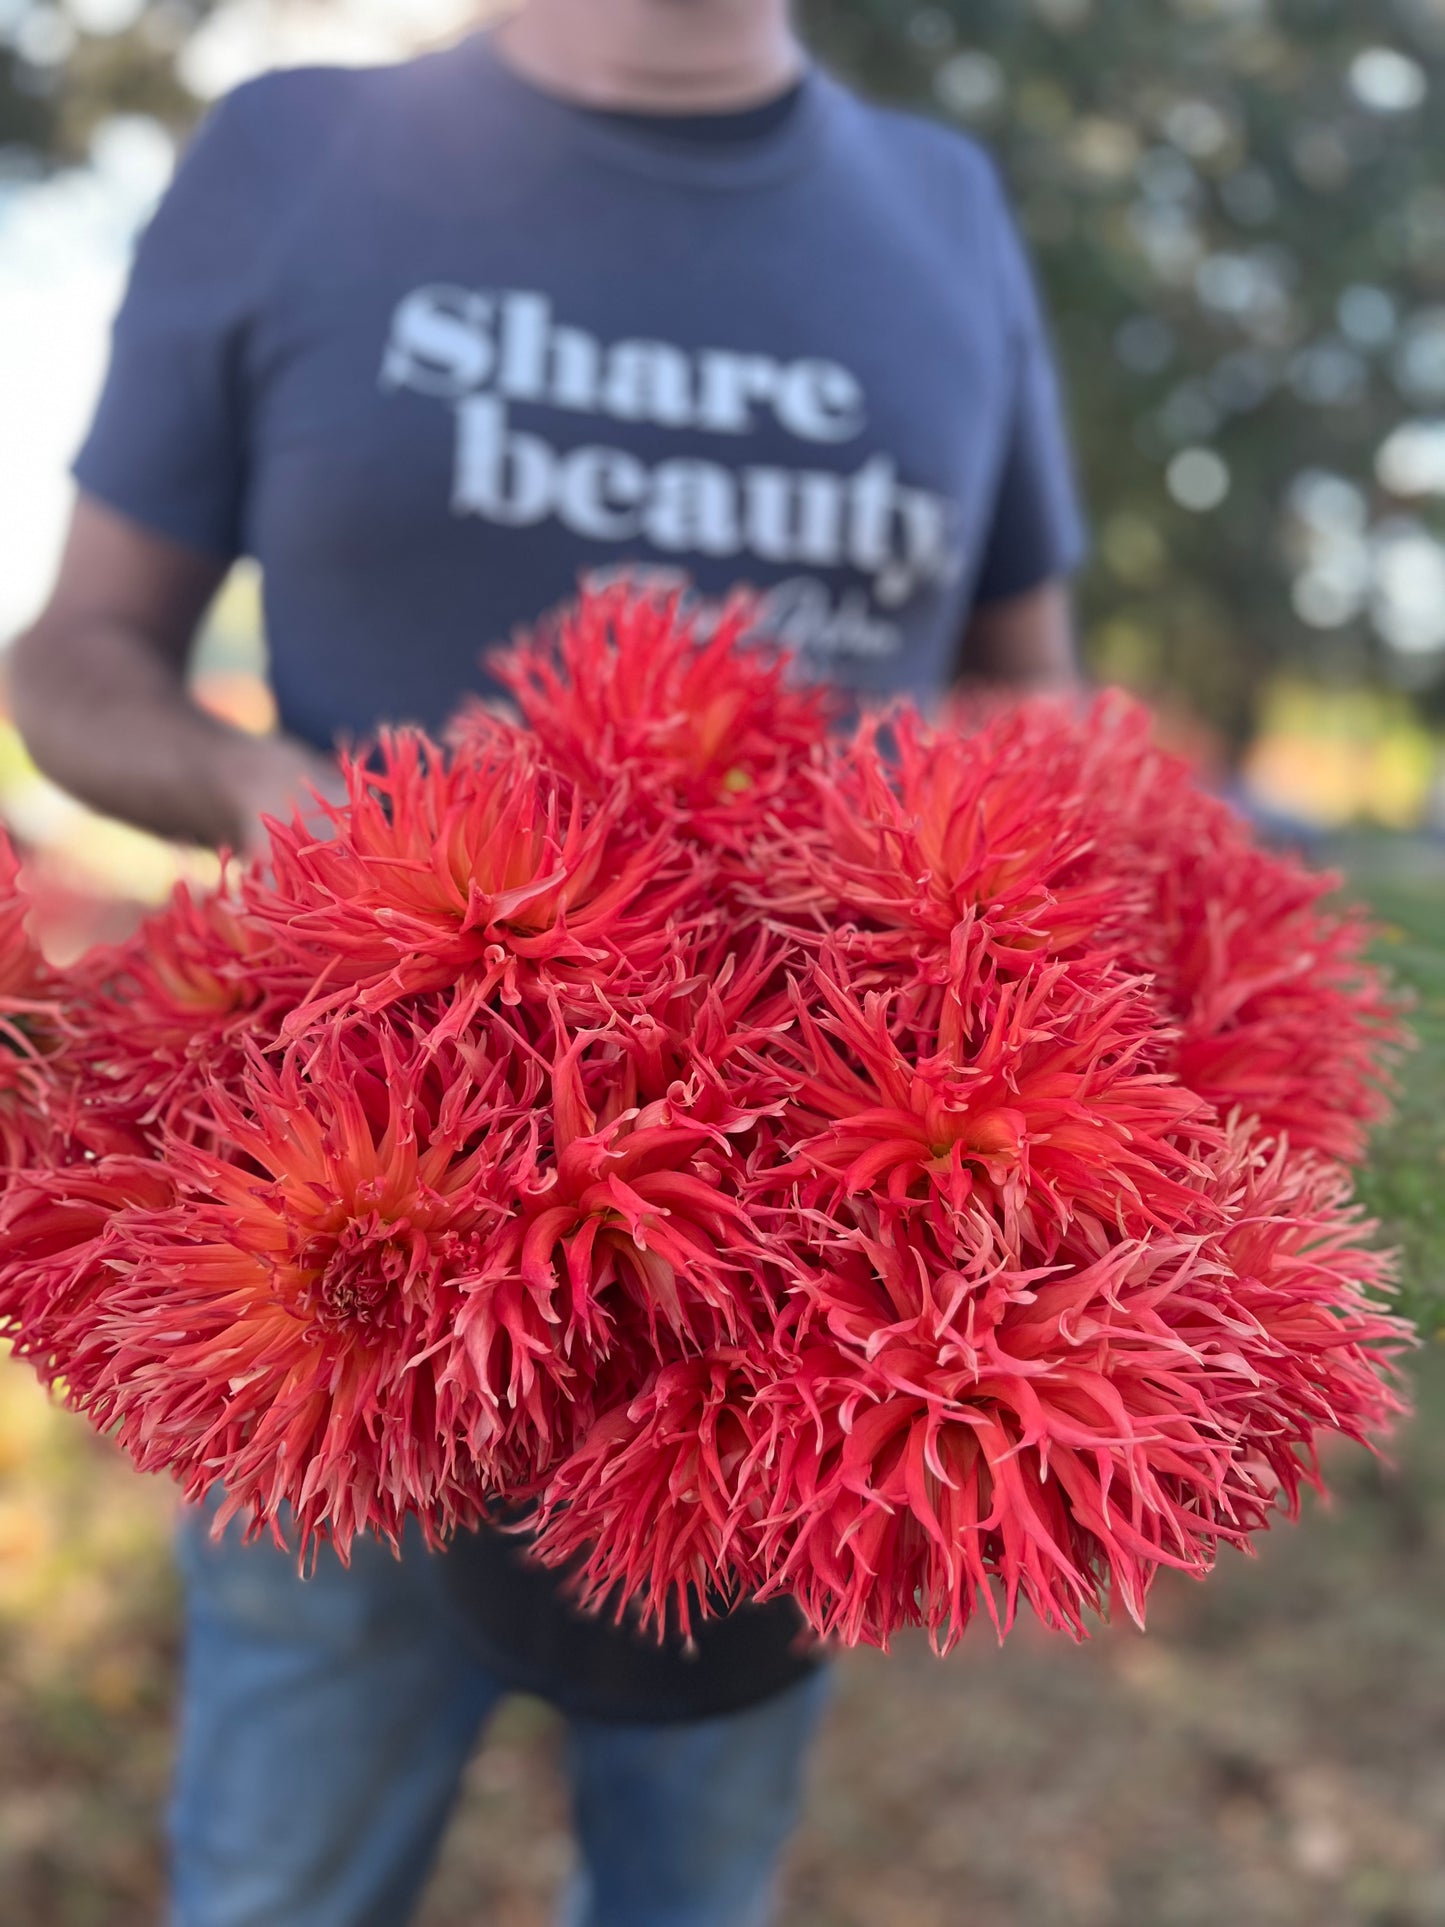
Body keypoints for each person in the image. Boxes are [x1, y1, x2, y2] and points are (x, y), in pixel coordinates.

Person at [10, 2, 1087, 1922]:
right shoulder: (299, 150)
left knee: (696, 1889)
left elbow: (1023, 687)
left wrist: (971, 921)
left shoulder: (944, 206)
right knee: (280, 1888)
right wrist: (275, 799)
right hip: (346, 1252)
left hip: (797, 1326)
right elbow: (75, 656)